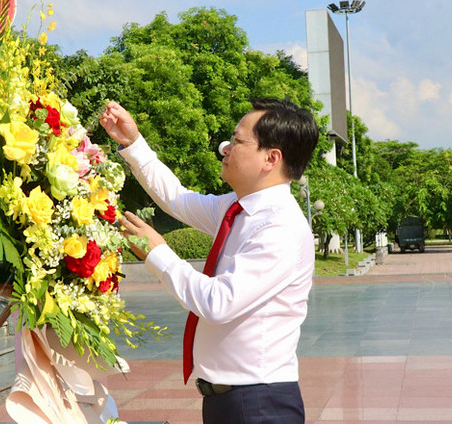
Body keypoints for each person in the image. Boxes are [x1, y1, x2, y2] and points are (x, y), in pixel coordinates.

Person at [100, 98, 319, 424]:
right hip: (230, 400)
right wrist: (134, 143)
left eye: (238, 141)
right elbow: (177, 199)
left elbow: (220, 302)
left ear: (271, 158)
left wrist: (158, 252)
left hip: (258, 403)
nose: (225, 148)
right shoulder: (238, 208)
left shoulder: (280, 226)